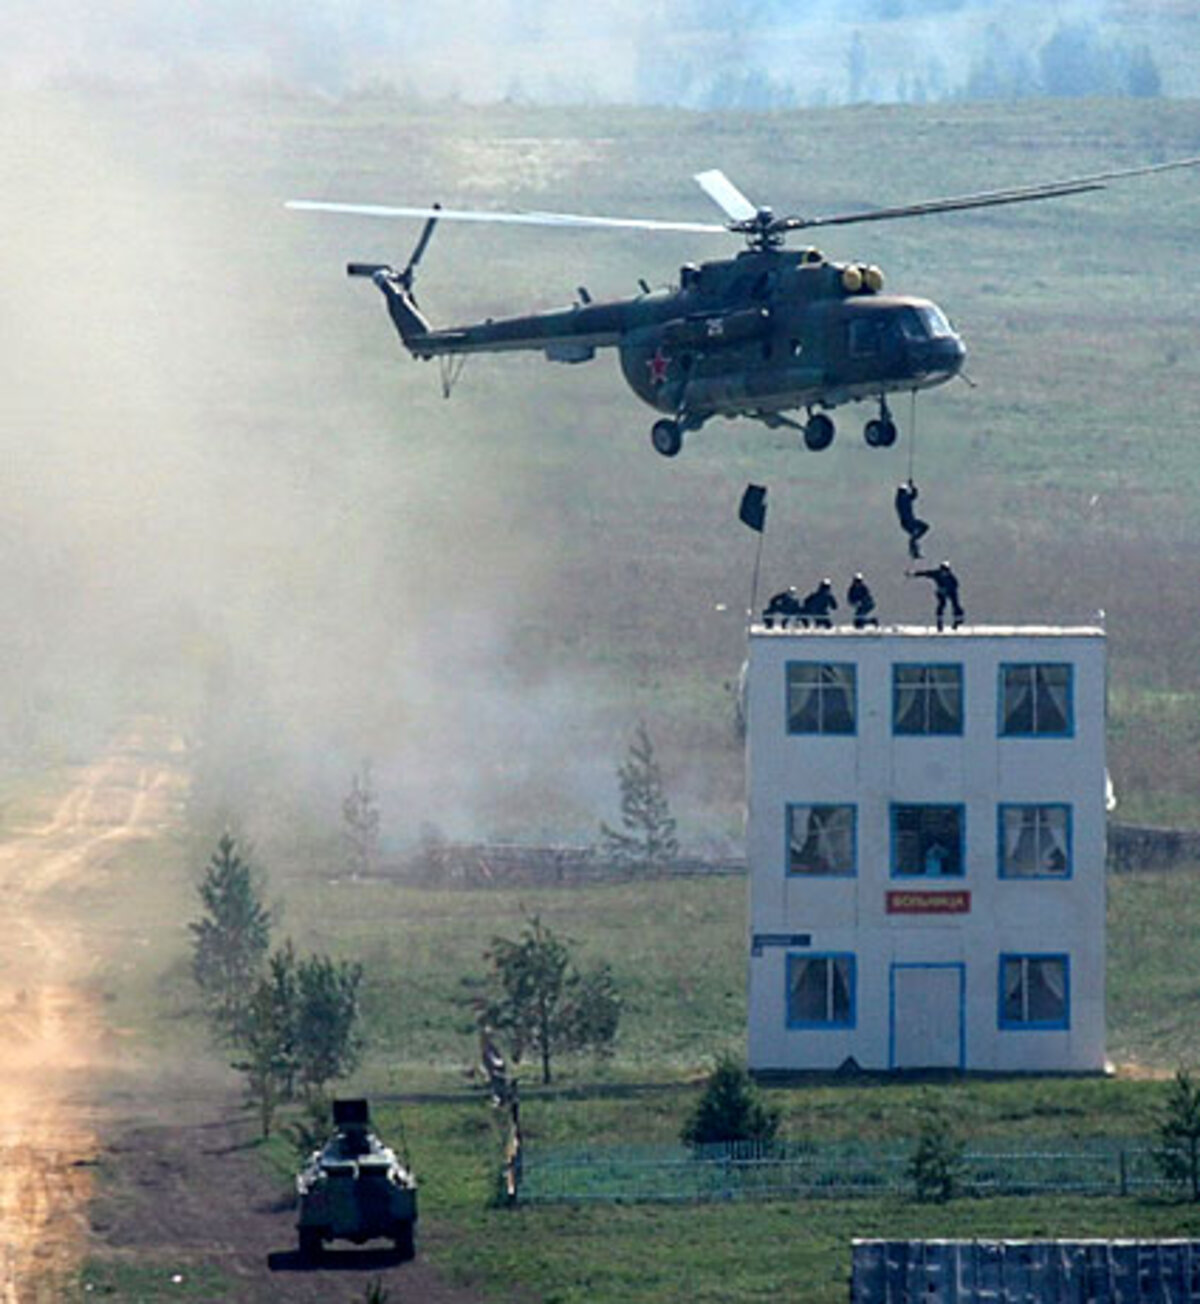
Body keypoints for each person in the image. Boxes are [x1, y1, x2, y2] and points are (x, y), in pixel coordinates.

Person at [908, 560, 964, 631]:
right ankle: (939, 623)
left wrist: (947, 589)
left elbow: (956, 585)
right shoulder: (937, 573)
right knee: (942, 604)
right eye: (943, 570)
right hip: (941, 591)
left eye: (946, 571)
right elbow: (925, 573)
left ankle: (957, 621)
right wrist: (913, 574)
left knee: (955, 605)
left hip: (951, 592)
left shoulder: (951, 577)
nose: (944, 573)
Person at [894, 479, 930, 559]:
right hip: (908, 521)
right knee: (924, 527)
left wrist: (911, 486)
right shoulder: (903, 498)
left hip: (907, 521)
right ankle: (913, 546)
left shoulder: (900, 498)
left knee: (920, 530)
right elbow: (914, 495)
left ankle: (914, 549)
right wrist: (912, 486)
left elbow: (913, 495)